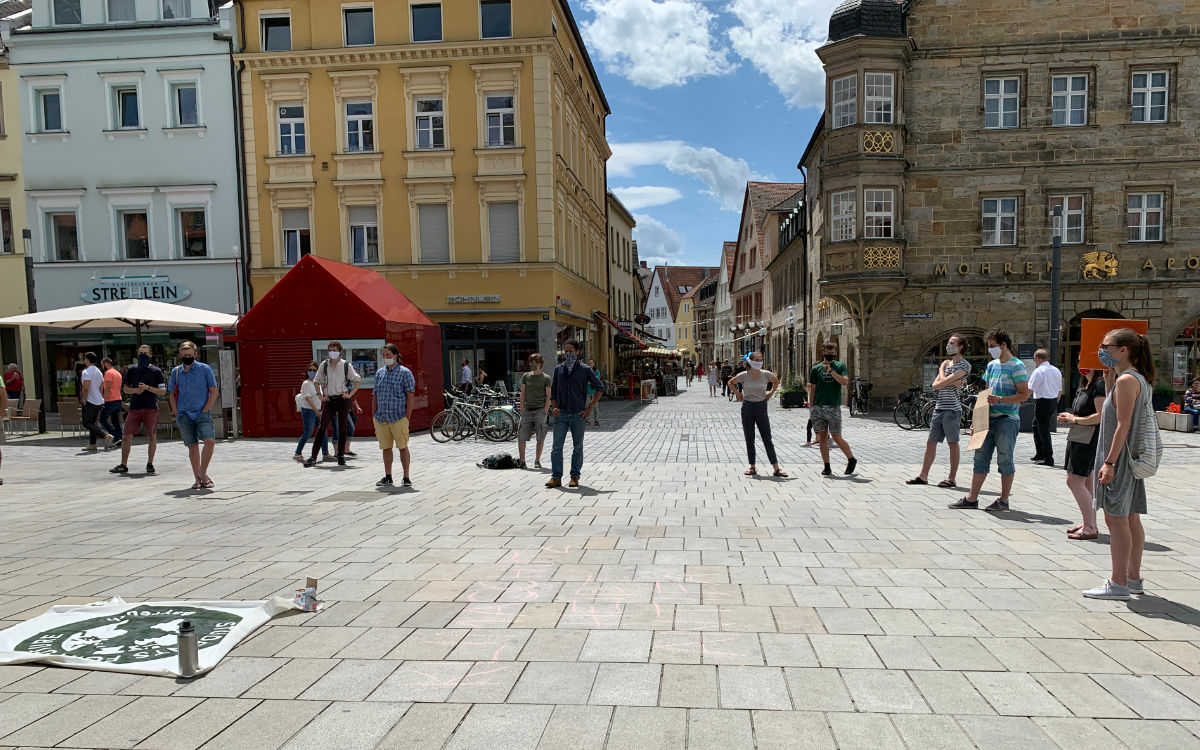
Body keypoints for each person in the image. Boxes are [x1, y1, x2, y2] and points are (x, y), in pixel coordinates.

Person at [1085, 328, 1155, 600]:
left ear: (1123, 350)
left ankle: (1118, 583)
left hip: (1120, 459)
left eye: (1106, 346)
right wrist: (1109, 379)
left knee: (1116, 520)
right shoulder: (1136, 378)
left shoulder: (1127, 380)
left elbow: (1123, 424)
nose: (1102, 350)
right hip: (1130, 458)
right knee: (1130, 517)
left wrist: (1110, 462)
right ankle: (1133, 578)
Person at [949, 327, 1030, 512]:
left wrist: (1002, 400)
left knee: (1005, 459)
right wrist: (976, 422)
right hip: (988, 419)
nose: (990, 350)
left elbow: (1024, 395)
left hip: (1006, 419)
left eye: (993, 346)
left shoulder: (1017, 366)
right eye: (989, 346)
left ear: (1003, 345)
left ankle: (1003, 499)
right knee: (980, 459)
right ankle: (972, 498)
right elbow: (985, 394)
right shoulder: (992, 365)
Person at [907, 334, 972, 488]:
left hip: (952, 409)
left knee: (952, 443)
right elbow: (936, 386)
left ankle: (952, 478)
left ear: (960, 346)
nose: (948, 345)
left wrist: (942, 369)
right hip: (939, 407)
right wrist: (947, 378)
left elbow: (942, 381)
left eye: (952, 343)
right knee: (931, 442)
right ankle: (923, 476)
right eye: (949, 342)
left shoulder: (964, 365)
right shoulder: (949, 364)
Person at [546, 340, 603, 488]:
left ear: (578, 352)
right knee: (556, 447)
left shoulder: (585, 369)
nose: (568, 354)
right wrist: (554, 407)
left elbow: (599, 388)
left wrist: (590, 407)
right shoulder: (559, 369)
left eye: (571, 351)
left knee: (578, 447)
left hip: (579, 414)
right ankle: (556, 477)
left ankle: (574, 477)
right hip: (561, 414)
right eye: (566, 351)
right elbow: (553, 391)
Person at [1058, 367, 1106, 540]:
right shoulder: (1085, 384)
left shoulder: (1099, 384)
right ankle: (1089, 521)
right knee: (1086, 482)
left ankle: (1090, 526)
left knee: (1074, 480)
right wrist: (1070, 417)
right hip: (1080, 435)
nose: (1079, 363)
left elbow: (1101, 415)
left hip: (1088, 438)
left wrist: (1075, 419)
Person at [167, 342, 219, 489]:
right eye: (185, 356)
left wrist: (206, 408)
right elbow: (171, 393)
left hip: (201, 412)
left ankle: (202, 474)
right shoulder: (176, 372)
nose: (187, 357)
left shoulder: (205, 369)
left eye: (190, 355)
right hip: (184, 414)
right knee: (192, 446)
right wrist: (176, 410)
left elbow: (214, 391)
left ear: (195, 355)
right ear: (180, 356)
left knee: (209, 441)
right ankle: (198, 478)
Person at [729, 351, 787, 477]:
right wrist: (738, 394)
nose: (760, 361)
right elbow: (730, 383)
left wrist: (770, 394)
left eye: (761, 358)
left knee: (767, 437)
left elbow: (776, 381)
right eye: (757, 359)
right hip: (748, 406)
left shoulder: (766, 374)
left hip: (761, 406)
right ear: (750, 361)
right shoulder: (744, 375)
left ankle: (776, 468)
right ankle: (752, 466)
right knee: (749, 438)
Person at [110, 344, 166, 475]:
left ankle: (150, 463)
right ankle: (124, 464)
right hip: (134, 408)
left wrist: (148, 388)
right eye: (141, 353)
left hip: (151, 407)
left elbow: (163, 391)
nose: (143, 355)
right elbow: (125, 388)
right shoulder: (132, 370)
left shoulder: (156, 371)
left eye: (145, 353)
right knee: (126, 436)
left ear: (150, 355)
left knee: (152, 436)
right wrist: (135, 390)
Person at [305, 341, 361, 467]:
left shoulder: (346, 365)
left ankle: (340, 455)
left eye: (335, 350)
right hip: (329, 400)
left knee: (342, 428)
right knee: (322, 427)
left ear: (340, 351)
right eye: (330, 350)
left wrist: (350, 394)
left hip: (343, 399)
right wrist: (320, 395)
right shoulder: (325, 365)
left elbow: (357, 380)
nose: (332, 352)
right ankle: (313, 457)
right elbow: (316, 380)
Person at [808, 342, 857, 477]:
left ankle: (851, 459)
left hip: (833, 406)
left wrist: (831, 371)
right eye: (828, 352)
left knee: (836, 436)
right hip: (818, 407)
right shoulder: (816, 368)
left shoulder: (840, 366)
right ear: (823, 351)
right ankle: (827, 466)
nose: (830, 354)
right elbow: (812, 389)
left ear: (836, 352)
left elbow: (844, 382)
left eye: (832, 352)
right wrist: (811, 407)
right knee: (822, 437)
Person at [373, 343, 416, 487]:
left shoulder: (405, 372)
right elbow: (375, 395)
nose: (386, 358)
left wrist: (407, 417)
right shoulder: (380, 373)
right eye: (384, 355)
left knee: (402, 446)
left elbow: (410, 395)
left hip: (398, 417)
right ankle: (388, 475)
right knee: (386, 447)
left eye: (388, 355)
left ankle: (406, 476)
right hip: (381, 417)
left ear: (396, 355)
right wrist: (374, 414)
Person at [1029, 349, 1063, 467]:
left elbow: (1030, 387)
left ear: (1038, 359)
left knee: (1043, 429)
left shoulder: (1039, 371)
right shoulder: (1056, 370)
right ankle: (1040, 453)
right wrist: (1055, 403)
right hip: (1053, 401)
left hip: (1042, 401)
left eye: (1035, 360)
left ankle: (1048, 457)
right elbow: (1059, 390)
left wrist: (1020, 399)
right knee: (1036, 425)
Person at [518, 354, 551, 468]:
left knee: (540, 436)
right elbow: (522, 393)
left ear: (540, 364)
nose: (532, 365)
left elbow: (548, 396)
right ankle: (522, 461)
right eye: (530, 362)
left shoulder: (546, 378)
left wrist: (545, 411)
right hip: (527, 410)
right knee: (522, 436)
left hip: (540, 410)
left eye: (534, 363)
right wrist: (522, 409)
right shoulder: (526, 376)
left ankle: (537, 460)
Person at [294, 362, 329, 462]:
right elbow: (308, 399)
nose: (312, 372)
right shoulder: (306, 384)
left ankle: (325, 453)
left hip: (317, 410)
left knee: (323, 431)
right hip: (309, 411)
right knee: (308, 432)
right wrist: (316, 411)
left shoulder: (317, 384)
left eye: (314, 370)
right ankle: (297, 453)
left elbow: (318, 397)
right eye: (310, 370)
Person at [79, 353, 107, 452]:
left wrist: (84, 399)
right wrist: (100, 398)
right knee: (92, 423)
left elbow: (86, 387)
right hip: (98, 400)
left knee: (86, 422)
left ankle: (105, 435)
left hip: (90, 400)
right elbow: (101, 387)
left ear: (87, 359)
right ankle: (92, 444)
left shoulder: (86, 372)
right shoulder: (99, 372)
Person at [99, 357, 124, 448]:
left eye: (102, 364)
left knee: (102, 419)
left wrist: (103, 400)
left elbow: (108, 388)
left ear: (105, 363)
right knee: (115, 421)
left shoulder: (108, 373)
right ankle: (120, 438)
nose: (101, 366)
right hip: (118, 399)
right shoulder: (117, 373)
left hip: (110, 400)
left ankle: (114, 436)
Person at [586, 358, 602, 426]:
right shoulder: (585, 371)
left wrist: (590, 381)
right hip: (587, 392)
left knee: (595, 407)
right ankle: (587, 421)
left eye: (591, 363)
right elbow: (584, 381)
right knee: (586, 406)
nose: (590, 365)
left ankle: (596, 421)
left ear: (593, 364)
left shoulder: (597, 371)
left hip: (595, 392)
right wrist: (591, 381)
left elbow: (596, 380)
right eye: (588, 363)